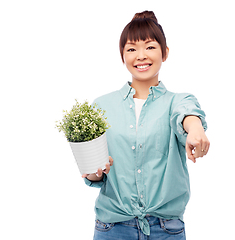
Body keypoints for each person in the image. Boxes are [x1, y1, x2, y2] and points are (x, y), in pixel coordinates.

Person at [81, 10, 210, 240]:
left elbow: (187, 114)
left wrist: (196, 130)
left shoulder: (177, 101)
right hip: (113, 227)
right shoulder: (101, 106)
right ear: (123, 56)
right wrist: (94, 173)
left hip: (166, 229)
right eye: (132, 49)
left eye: (150, 47)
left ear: (165, 52)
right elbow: (93, 172)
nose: (141, 56)